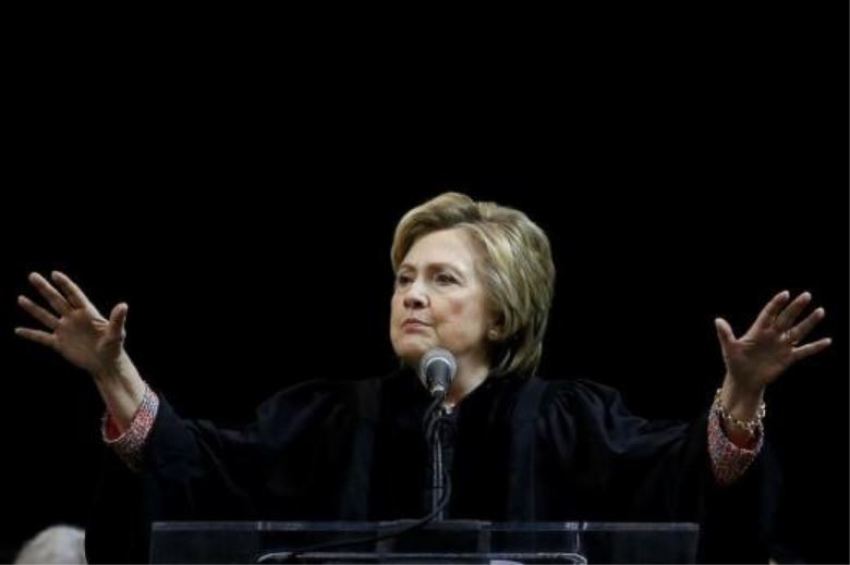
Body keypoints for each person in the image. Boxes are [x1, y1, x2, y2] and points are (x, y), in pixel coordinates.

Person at [15, 192, 830, 563]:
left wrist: (744, 394)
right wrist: (115, 373)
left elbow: (687, 479)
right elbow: (196, 471)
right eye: (405, 277)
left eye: (443, 279)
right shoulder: (331, 418)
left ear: (502, 312)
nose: (412, 293)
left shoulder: (568, 421)